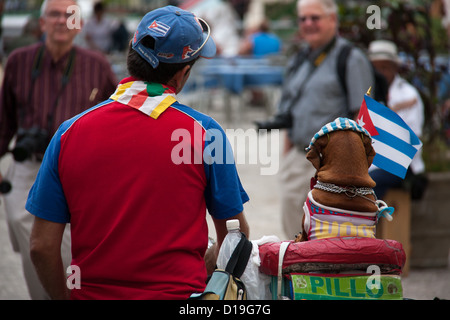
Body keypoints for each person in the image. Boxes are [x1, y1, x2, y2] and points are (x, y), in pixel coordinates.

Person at [27, 5, 250, 300]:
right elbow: (235, 237)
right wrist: (210, 263)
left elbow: (41, 246)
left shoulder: (68, 132)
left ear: (132, 50)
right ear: (183, 74)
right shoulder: (206, 133)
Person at [0, 0, 117, 300]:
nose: (62, 21)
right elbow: (4, 120)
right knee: (35, 241)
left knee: (70, 242)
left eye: (70, 15)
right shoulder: (18, 62)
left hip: (80, 169)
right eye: (54, 14)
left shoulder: (97, 65)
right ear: (42, 23)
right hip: (29, 166)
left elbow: (116, 120)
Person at [256, 0, 374, 238]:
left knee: (329, 235)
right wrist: (287, 155)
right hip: (298, 158)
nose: (308, 23)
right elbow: (291, 111)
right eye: (303, 19)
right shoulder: (299, 58)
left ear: (332, 19)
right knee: (294, 233)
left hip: (333, 165)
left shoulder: (350, 59)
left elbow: (362, 116)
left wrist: (350, 169)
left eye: (315, 17)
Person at [367, 40, 426, 199]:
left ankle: (366, 222)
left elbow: (411, 140)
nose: (379, 72)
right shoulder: (365, 94)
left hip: (401, 165)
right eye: (375, 68)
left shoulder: (408, 94)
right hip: (370, 165)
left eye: (384, 67)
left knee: (368, 185)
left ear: (395, 68)